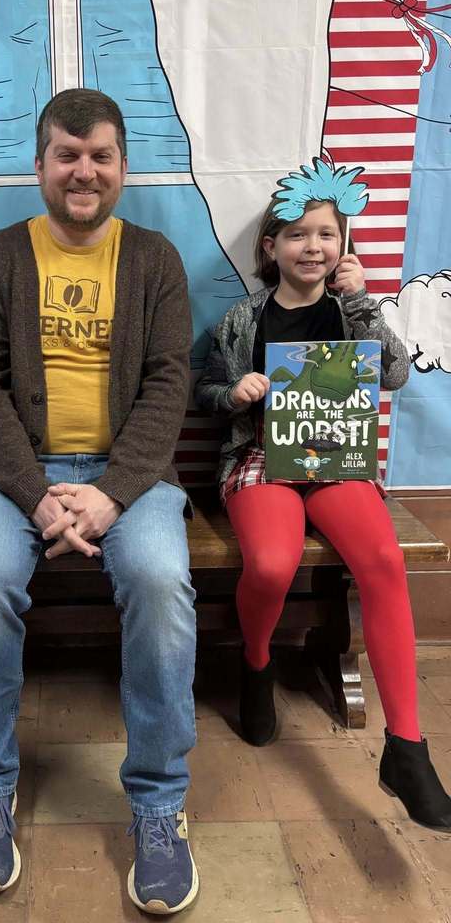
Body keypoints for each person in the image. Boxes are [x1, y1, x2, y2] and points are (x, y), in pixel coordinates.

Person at [0, 88, 198, 914]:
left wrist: (108, 495)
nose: (82, 171)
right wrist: (38, 496)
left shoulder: (156, 259)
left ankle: (160, 809)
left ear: (123, 166)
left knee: (162, 585)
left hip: (132, 475)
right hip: (13, 472)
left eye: (99, 156)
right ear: (41, 164)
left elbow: (169, 383)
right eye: (67, 154)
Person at [195, 165, 451, 831]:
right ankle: (255, 665)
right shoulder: (242, 318)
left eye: (327, 235)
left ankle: (407, 747)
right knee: (274, 564)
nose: (313, 246)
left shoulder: (351, 309)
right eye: (298, 235)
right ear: (270, 247)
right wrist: (237, 391)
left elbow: (393, 374)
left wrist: (365, 301)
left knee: (383, 563)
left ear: (343, 245)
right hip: (262, 458)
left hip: (338, 461)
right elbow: (206, 390)